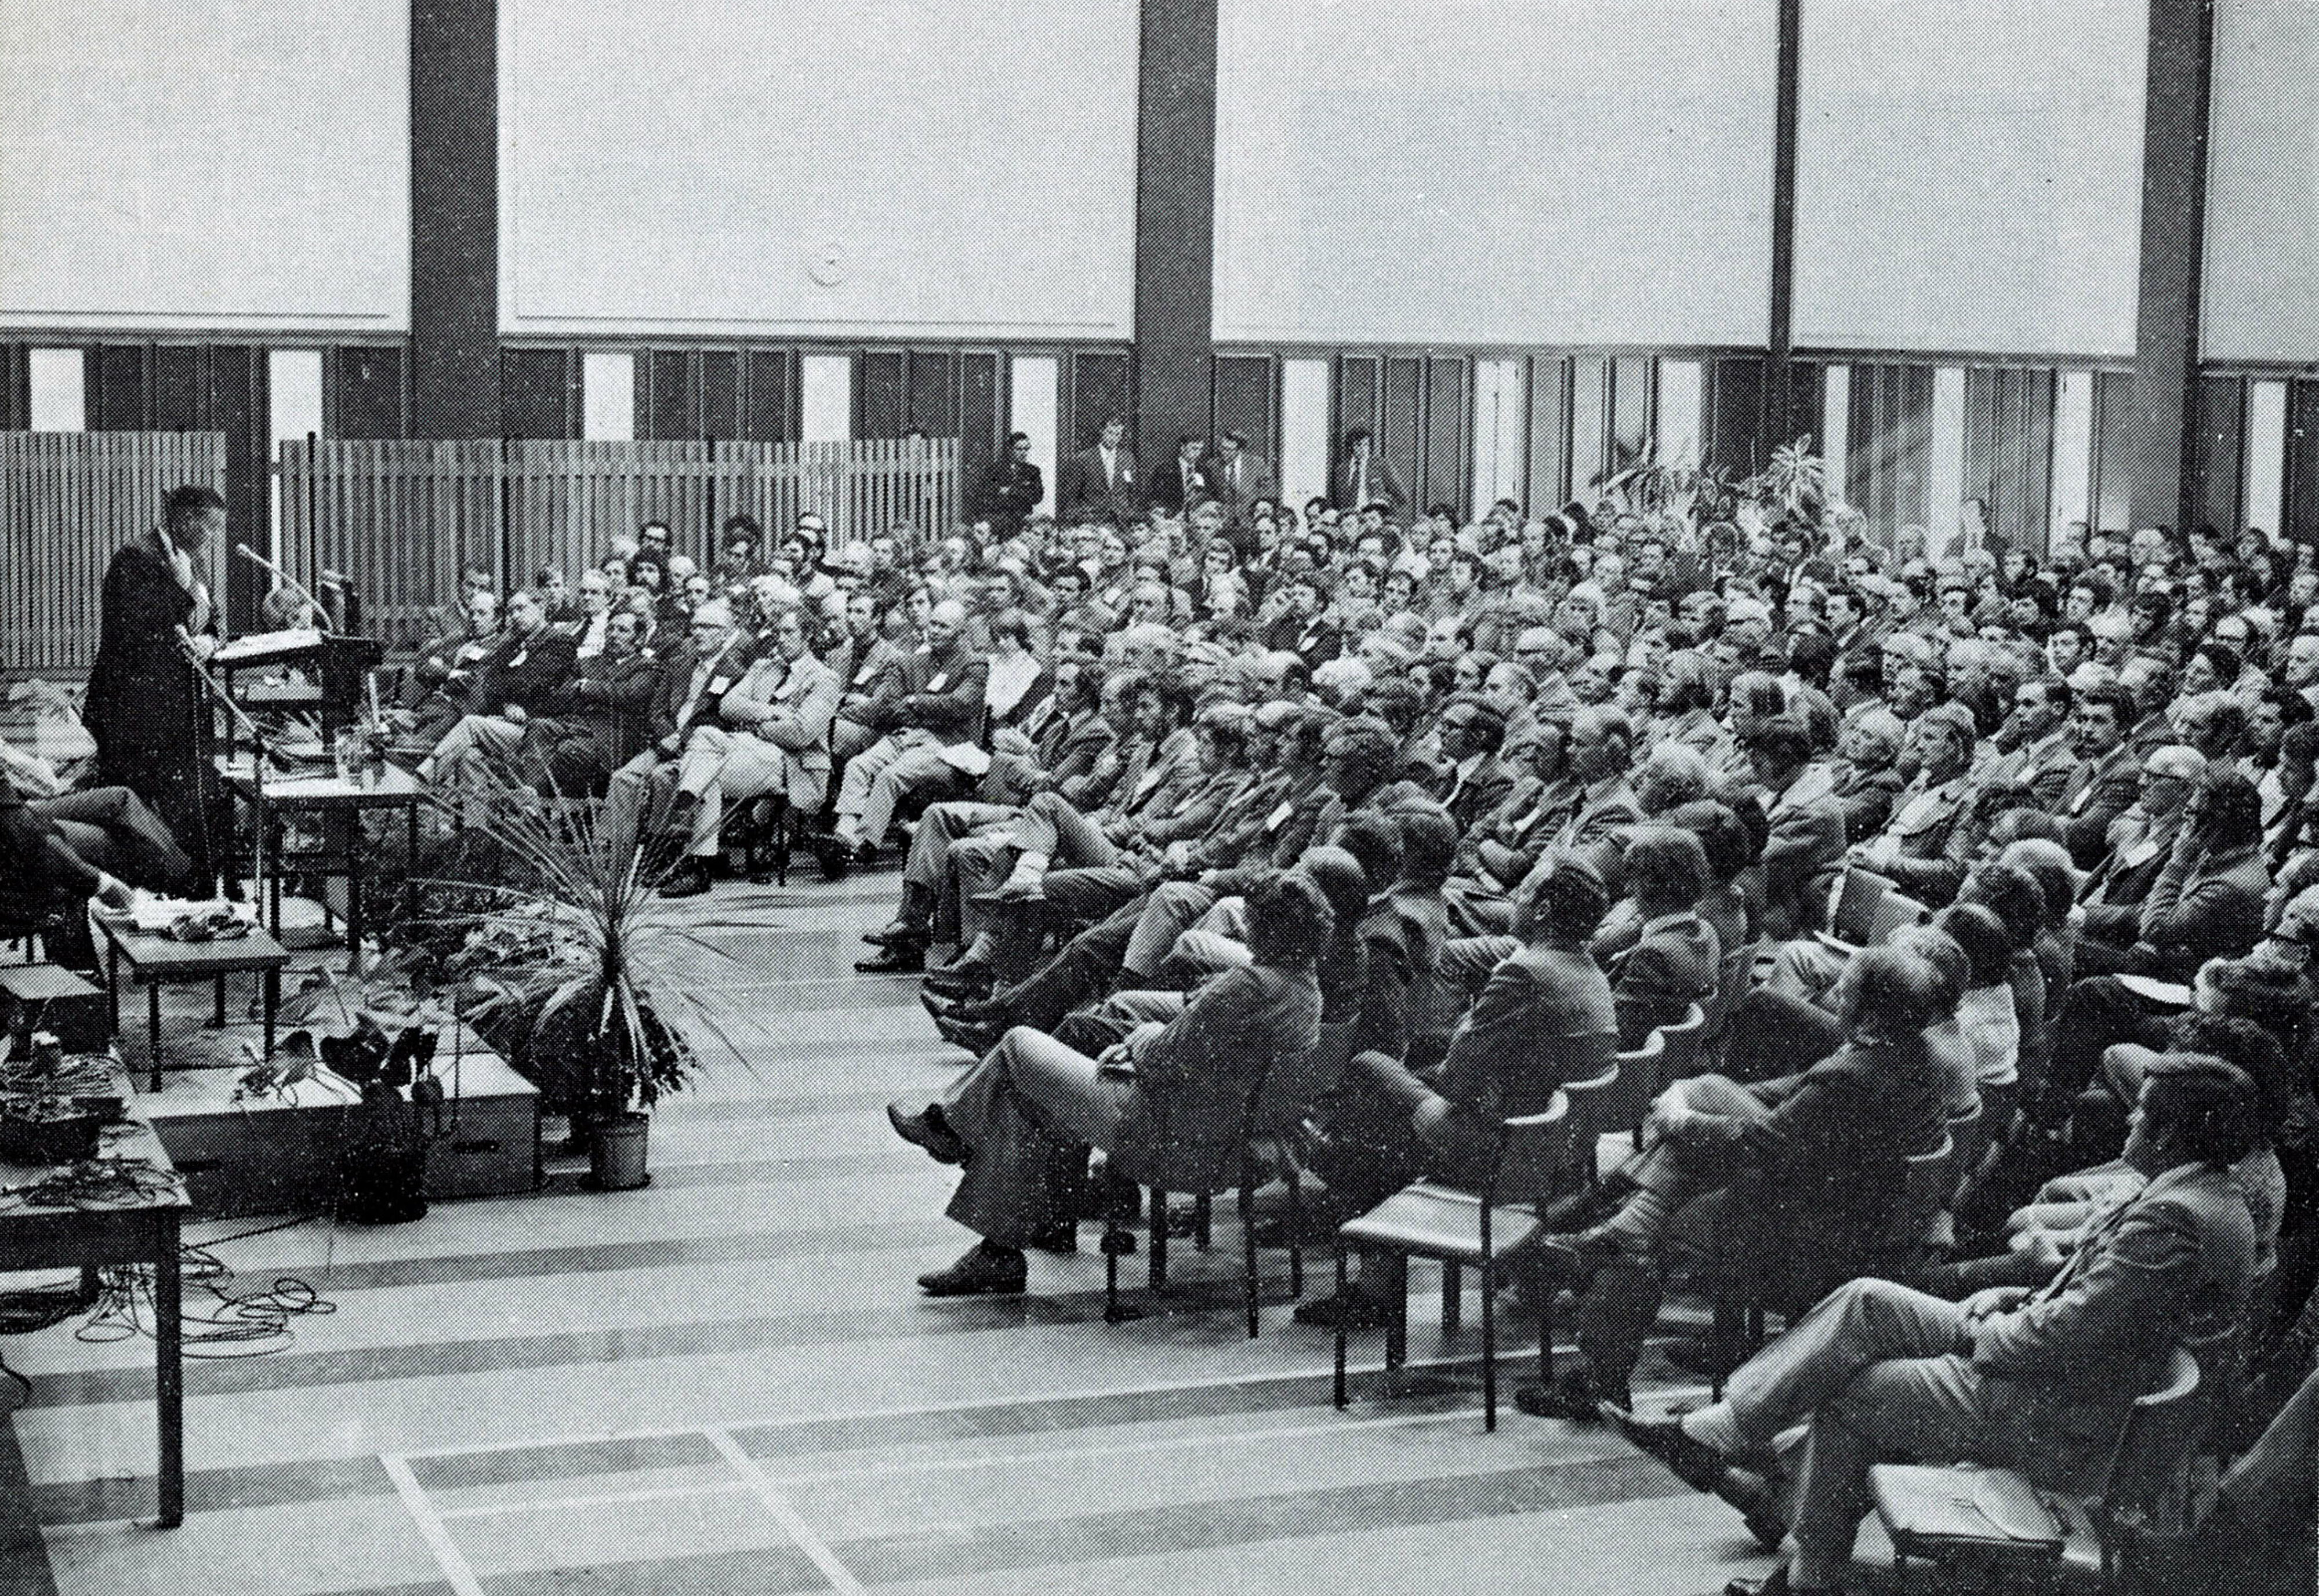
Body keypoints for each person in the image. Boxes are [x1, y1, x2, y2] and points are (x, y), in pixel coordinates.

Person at [1605, 1052, 2261, 1596]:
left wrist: (1988, 1329)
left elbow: (2067, 1336)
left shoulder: (2173, 1219)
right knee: (1868, 1300)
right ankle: (1726, 1435)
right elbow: (2095, 1311)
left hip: (2055, 1407)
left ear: (2172, 1135)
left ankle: (1808, 1573)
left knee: (1859, 1389)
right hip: (2054, 1364)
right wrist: (2004, 1295)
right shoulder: (2199, 1195)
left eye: (2143, 1111)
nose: (2130, 1117)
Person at [884, 870, 1327, 1296]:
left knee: (1020, 1049)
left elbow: (1165, 1053)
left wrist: (1138, 1041)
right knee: (1032, 1090)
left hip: (1163, 1130)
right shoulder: (1304, 987)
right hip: (1218, 1133)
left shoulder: (1248, 987)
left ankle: (958, 1138)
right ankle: (998, 1230)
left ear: (1264, 928)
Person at [84, 483, 223, 884]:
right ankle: (139, 904)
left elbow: (212, 618)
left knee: (186, 811)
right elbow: (145, 635)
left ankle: (188, 895)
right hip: (135, 714)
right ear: (185, 520)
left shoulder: (189, 559)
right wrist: (183, 589)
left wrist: (209, 641)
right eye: (209, 527)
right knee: (135, 817)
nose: (213, 538)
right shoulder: (136, 557)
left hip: (175, 709)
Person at [657, 606, 840, 897]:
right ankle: (700, 863)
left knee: (701, 764)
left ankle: (693, 845)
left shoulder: (824, 678)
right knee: (705, 738)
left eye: (789, 632)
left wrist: (757, 727)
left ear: (807, 636)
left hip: (788, 761)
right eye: (778, 631)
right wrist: (771, 712)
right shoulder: (762, 668)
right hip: (745, 751)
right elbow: (728, 705)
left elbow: (802, 732)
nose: (780, 638)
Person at [1057, 418, 1139, 525]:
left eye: (1118, 434)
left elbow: (1132, 489)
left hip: (1122, 520)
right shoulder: (1084, 458)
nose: (1113, 438)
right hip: (1093, 520)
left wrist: (1130, 513)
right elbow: (1072, 493)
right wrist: (1077, 517)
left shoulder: (1128, 458)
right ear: (1102, 432)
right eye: (1110, 433)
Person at [1330, 425, 1407, 517]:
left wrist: (1384, 506)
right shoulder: (1341, 470)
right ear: (1351, 446)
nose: (1363, 449)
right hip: (1351, 523)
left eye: (1366, 445)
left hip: (1375, 523)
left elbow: (1402, 497)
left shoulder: (1380, 465)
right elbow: (1335, 503)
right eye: (1358, 445)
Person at [977, 431, 1044, 532]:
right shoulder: (995, 470)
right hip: (998, 521)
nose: (1024, 453)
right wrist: (1023, 493)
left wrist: (1011, 491)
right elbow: (987, 492)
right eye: (1019, 449)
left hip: (1023, 522)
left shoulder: (1033, 471)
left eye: (1026, 449)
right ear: (1010, 449)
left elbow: (1037, 497)